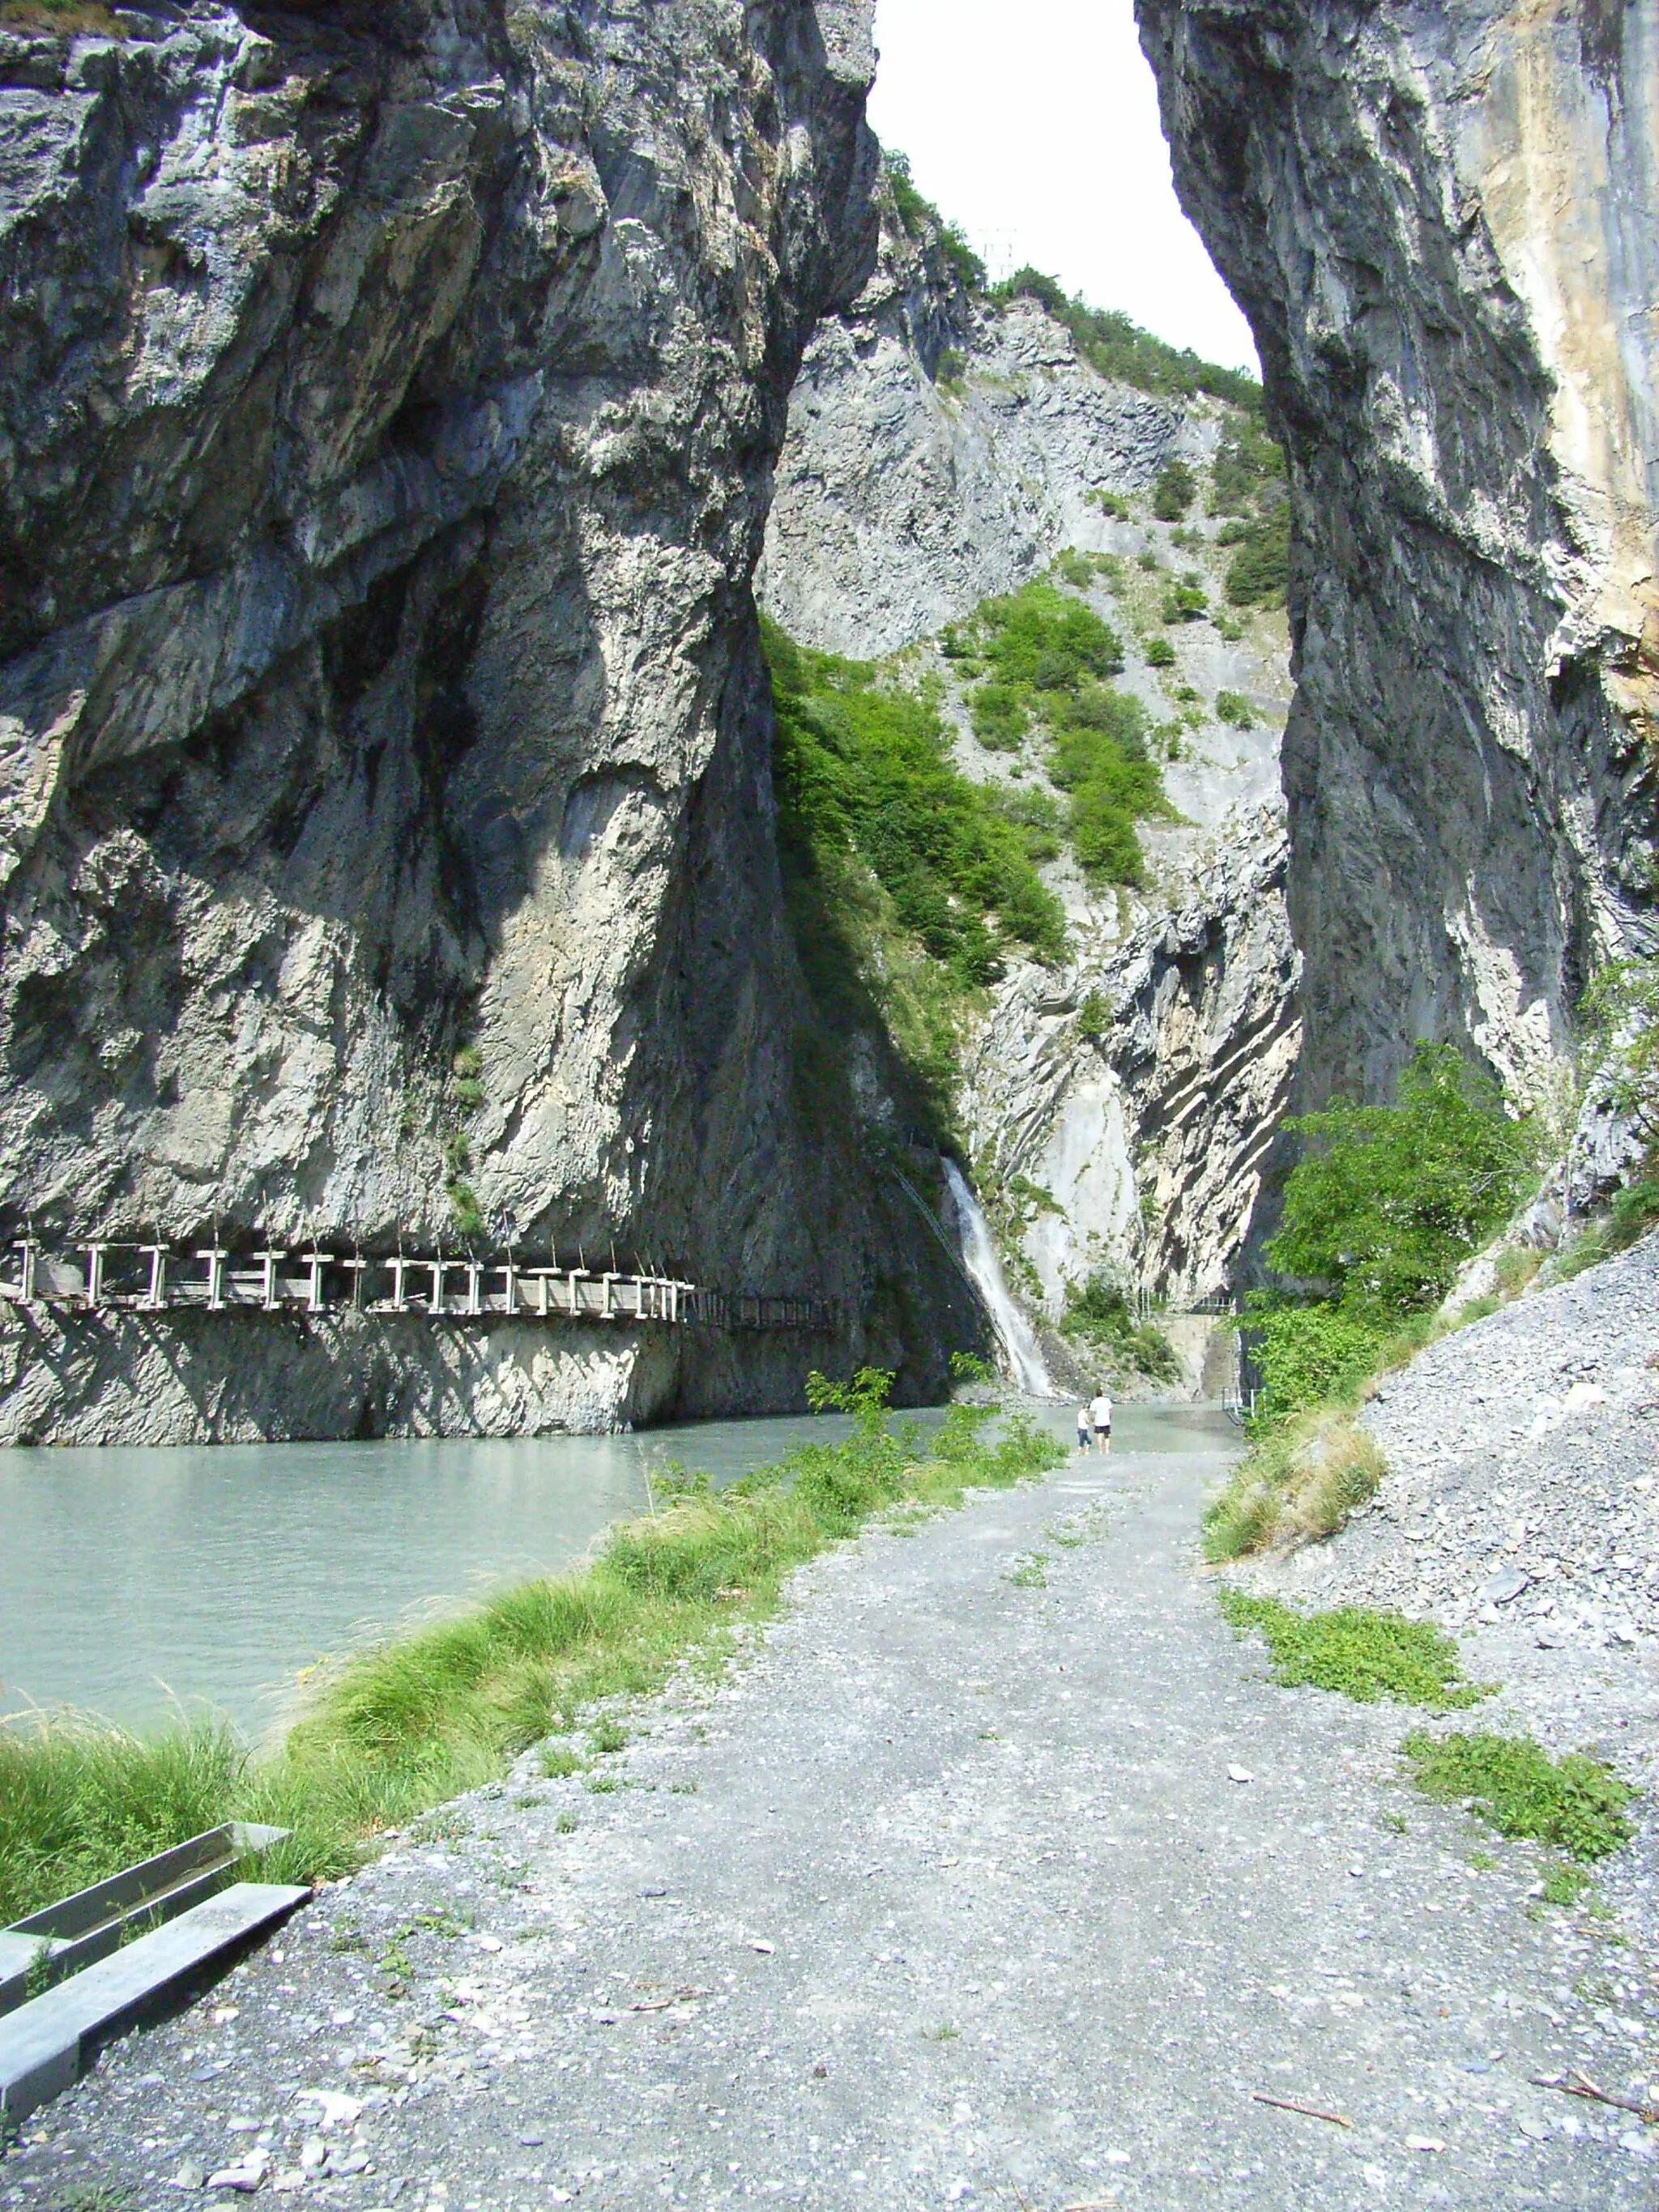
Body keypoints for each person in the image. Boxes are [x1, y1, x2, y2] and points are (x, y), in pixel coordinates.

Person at [1090, 1388, 1113, 1454]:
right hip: (1106, 1420)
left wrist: (1093, 1422)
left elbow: (1092, 1413)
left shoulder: (1094, 1402)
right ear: (1102, 1393)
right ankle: (1107, 1450)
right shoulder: (1107, 1400)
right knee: (1107, 1436)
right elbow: (1110, 1411)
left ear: (1096, 1394)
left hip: (1098, 1421)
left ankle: (1100, 1450)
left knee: (1099, 1435)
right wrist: (1109, 1418)